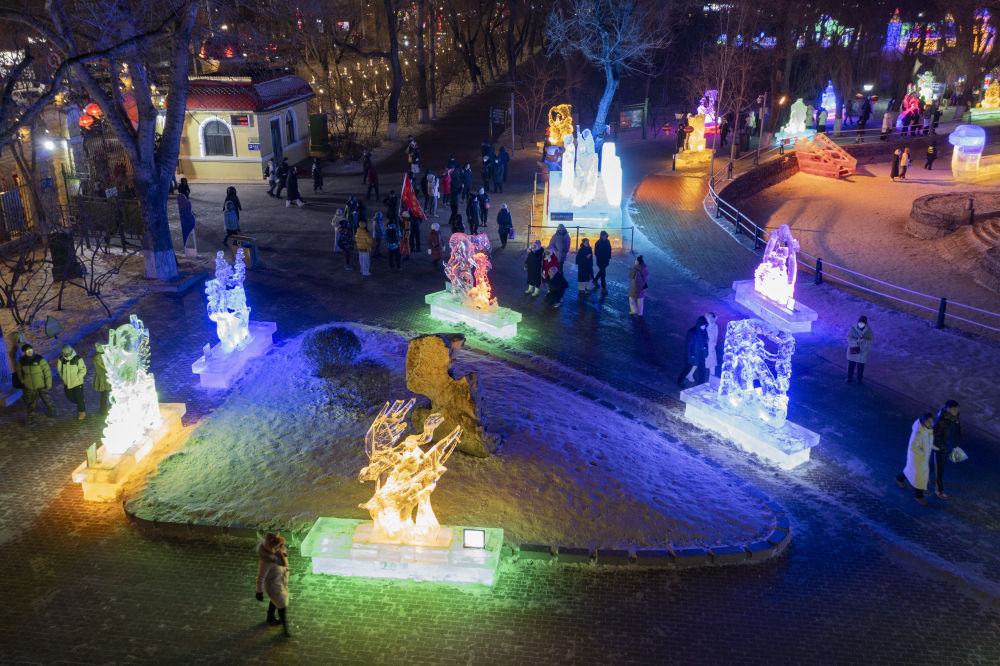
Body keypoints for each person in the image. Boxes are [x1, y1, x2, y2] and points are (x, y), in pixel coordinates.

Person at [895, 413, 938, 506]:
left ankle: (899, 478)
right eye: (928, 422)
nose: (931, 423)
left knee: (912, 470)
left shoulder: (925, 428)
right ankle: (918, 496)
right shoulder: (918, 434)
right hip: (917, 457)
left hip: (922, 456)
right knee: (919, 477)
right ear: (923, 422)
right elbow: (914, 448)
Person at [255, 533, 291, 637]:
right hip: (274, 586)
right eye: (277, 547)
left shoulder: (280, 553)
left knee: (275, 601)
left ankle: (270, 618)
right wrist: (259, 592)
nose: (279, 548)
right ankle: (285, 629)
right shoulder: (266, 562)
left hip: (280, 583)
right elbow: (260, 577)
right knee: (282, 606)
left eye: (280, 546)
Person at [930, 400, 962, 500]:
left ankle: (919, 476)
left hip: (948, 447)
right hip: (940, 448)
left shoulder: (954, 417)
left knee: (933, 465)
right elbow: (934, 435)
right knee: (940, 470)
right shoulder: (941, 419)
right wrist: (942, 447)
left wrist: (954, 444)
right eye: (954, 409)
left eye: (957, 408)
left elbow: (955, 430)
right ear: (948, 409)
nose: (957, 410)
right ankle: (939, 490)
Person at [17, 343, 54, 423]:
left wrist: (48, 383)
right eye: (27, 351)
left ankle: (52, 410)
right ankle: (31, 417)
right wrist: (23, 380)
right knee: (31, 403)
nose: (29, 352)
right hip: (29, 386)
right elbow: (19, 372)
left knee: (46, 399)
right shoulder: (22, 361)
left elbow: (47, 371)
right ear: (24, 352)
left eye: (30, 350)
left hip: (41, 384)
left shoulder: (39, 359)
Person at [677, 316, 709, 388]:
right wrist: (690, 356)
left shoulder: (704, 332)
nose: (704, 327)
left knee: (702, 370)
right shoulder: (692, 333)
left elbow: (706, 344)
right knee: (687, 368)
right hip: (694, 355)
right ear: (699, 324)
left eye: (705, 325)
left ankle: (701, 384)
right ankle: (680, 380)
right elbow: (689, 345)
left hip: (701, 355)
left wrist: (706, 352)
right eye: (703, 325)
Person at [56, 344, 87, 419]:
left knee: (79, 398)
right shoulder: (61, 359)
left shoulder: (77, 359)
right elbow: (59, 370)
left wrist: (77, 377)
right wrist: (63, 377)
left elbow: (83, 370)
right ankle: (81, 403)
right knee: (69, 397)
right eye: (65, 352)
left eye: (68, 351)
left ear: (71, 350)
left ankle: (82, 412)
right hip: (67, 383)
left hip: (77, 383)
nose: (67, 352)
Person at [687, 312, 719, 382]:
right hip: (705, 348)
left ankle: (712, 381)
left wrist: (714, 344)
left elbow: (716, 336)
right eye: (710, 318)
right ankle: (690, 374)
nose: (712, 320)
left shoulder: (715, 326)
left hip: (712, 349)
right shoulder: (705, 326)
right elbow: (702, 337)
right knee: (699, 362)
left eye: (713, 318)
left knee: (712, 365)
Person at [846, 315, 874, 383]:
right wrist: (856, 341)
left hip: (863, 352)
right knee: (851, 365)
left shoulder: (869, 331)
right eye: (860, 322)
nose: (861, 324)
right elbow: (849, 338)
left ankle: (859, 379)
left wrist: (864, 340)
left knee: (861, 367)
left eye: (863, 323)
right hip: (854, 350)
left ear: (865, 323)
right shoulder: (853, 328)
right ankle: (849, 378)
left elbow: (871, 341)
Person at [93, 343, 110, 414]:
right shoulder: (99, 357)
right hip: (103, 377)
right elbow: (105, 367)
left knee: (104, 394)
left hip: (102, 376)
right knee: (104, 395)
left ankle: (103, 409)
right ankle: (103, 410)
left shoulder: (97, 356)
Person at [592, 230, 611, 295]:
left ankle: (595, 280)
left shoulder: (607, 242)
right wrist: (601, 258)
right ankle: (603, 288)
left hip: (605, 261)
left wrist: (608, 258)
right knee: (603, 274)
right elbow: (596, 253)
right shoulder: (598, 243)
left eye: (606, 236)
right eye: (605, 236)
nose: (606, 237)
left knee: (602, 272)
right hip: (600, 261)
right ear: (602, 236)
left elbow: (609, 250)